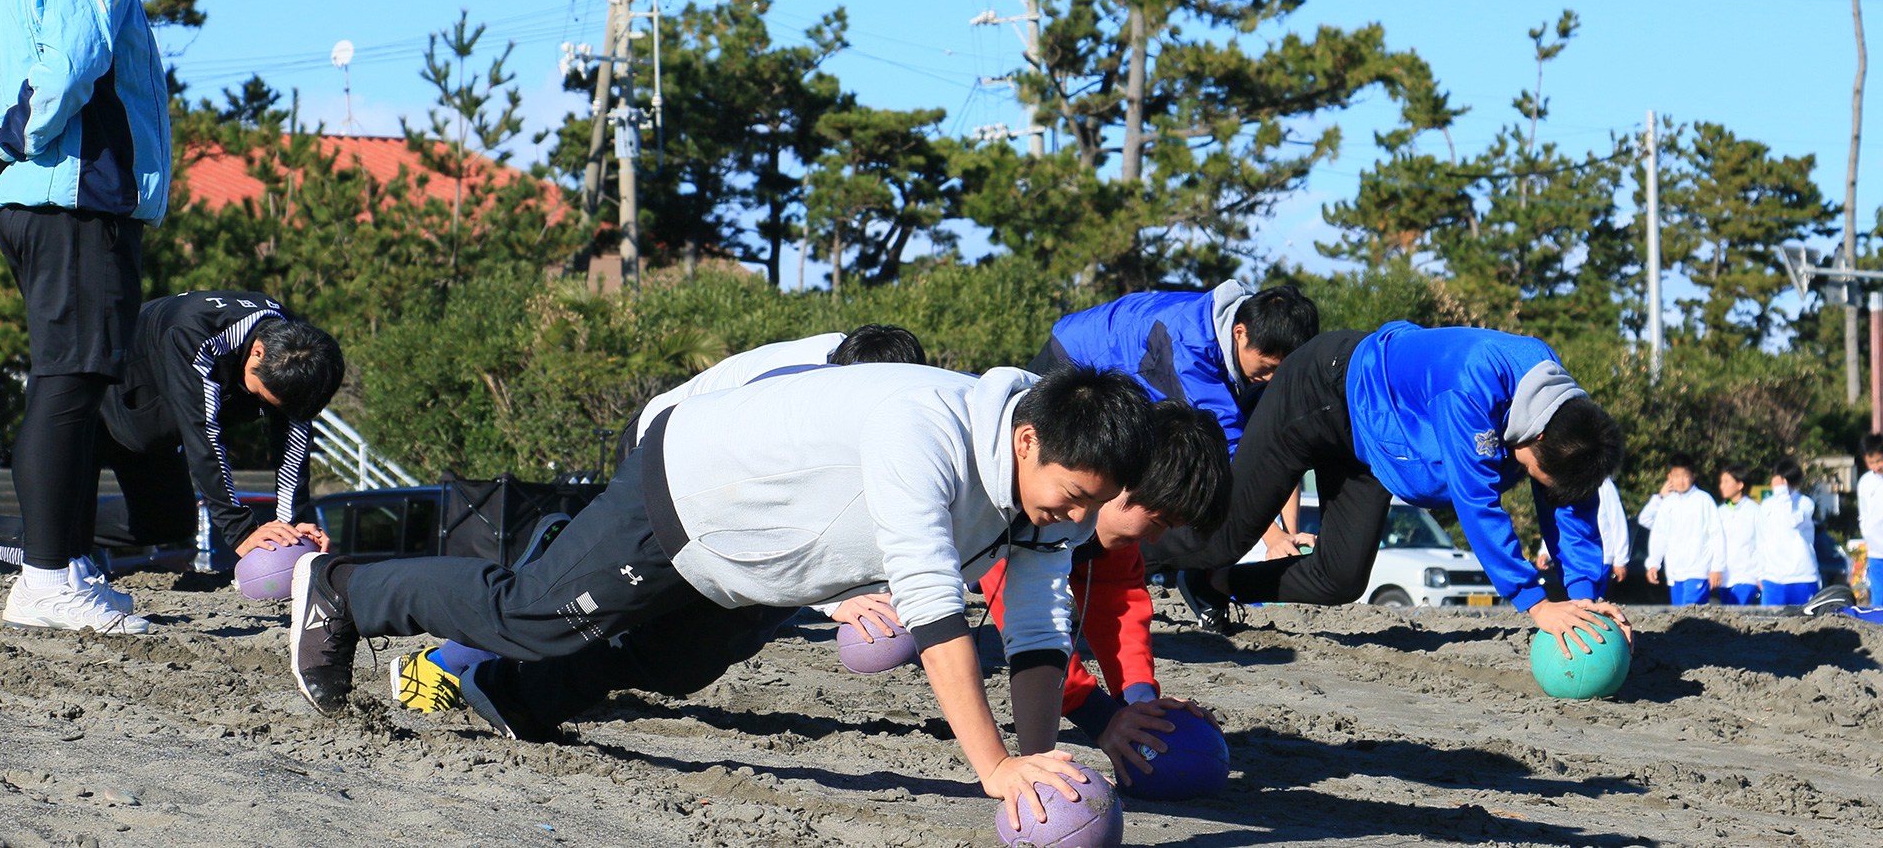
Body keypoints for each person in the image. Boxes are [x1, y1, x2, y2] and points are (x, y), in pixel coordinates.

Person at [289, 364, 1155, 828]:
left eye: (1089, 502)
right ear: (1029, 436)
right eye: (1070, 495)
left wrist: (1036, 763)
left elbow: (1039, 628)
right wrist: (995, 768)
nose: (1075, 517)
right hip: (694, 489)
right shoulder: (924, 428)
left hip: (767, 558)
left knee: (677, 665)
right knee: (533, 613)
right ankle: (345, 587)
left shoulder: (1048, 496)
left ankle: (503, 693)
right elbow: (936, 608)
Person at [390, 324, 927, 713]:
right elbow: (774, 509)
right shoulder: (796, 391)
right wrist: (833, 597)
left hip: (716, 475)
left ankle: (531, 638)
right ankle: (441, 659)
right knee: (602, 596)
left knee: (708, 625)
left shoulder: (884, 401)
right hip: (661, 448)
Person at [0, 0, 173, 634]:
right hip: (72, 196)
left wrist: (5, 143)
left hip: (42, 198)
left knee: (74, 380)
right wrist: (16, 134)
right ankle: (47, 578)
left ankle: (67, 561)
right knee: (69, 381)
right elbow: (61, 73)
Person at [1176, 322, 1631, 653]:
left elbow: (1570, 506)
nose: (1533, 482)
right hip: (1321, 391)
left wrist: (1585, 600)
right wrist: (1536, 604)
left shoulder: (1564, 414)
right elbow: (1478, 502)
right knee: (1228, 533)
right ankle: (1117, 549)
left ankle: (1212, 583)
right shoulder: (1472, 386)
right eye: (1534, 471)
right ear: (1537, 436)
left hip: (1372, 438)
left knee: (1340, 578)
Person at [0, 293, 343, 622]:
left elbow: (293, 438)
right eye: (260, 395)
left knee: (170, 524)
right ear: (257, 353)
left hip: (146, 426)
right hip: (87, 414)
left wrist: (293, 524)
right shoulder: (197, 337)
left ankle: (73, 536)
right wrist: (241, 531)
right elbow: (205, 436)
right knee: (62, 550)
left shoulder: (299, 352)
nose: (264, 408)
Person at [976, 400, 1230, 786]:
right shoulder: (1032, 502)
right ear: (1122, 476)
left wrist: (1139, 701)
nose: (1156, 538)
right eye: (1158, 520)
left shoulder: (1113, 536)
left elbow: (1118, 603)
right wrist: (1099, 716)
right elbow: (1030, 628)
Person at [1027, 282, 1319, 612]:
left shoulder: (1251, 365)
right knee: (1054, 484)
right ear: (1240, 333)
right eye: (1266, 367)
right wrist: (1274, 538)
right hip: (1073, 359)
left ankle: (1181, 577)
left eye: (1278, 372)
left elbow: (1273, 450)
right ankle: (1018, 575)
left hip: (1126, 374)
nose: (1268, 378)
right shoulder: (1190, 357)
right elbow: (1235, 463)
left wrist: (1289, 534)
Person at [1637, 455, 1725, 606]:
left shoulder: (1704, 500)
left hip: (1698, 570)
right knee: (1680, 619)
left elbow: (1717, 534)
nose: (1681, 481)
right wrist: (1653, 563)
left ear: (1693, 476)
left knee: (1690, 614)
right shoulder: (1668, 502)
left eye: (1685, 476)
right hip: (1674, 573)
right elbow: (1660, 535)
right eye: (1676, 476)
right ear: (1669, 477)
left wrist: (1717, 567)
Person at [1537, 474, 1630, 597]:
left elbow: (1617, 521)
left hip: (1600, 557)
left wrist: (1620, 559)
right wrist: (1545, 551)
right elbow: (1559, 519)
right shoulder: (1563, 479)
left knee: (1593, 601)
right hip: (1570, 554)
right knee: (1577, 601)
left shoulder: (1604, 484)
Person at [1757, 458, 1822, 607]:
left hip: (1802, 578)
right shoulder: (1766, 505)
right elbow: (1760, 541)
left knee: (1806, 627)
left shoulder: (1806, 503)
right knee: (1768, 626)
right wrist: (1760, 574)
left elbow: (1794, 521)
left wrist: (1782, 493)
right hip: (1772, 579)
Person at [1714, 465, 1763, 606]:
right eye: (1721, 482)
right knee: (1728, 621)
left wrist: (1762, 575)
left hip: (1747, 576)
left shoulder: (1755, 511)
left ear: (1740, 484)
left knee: (1735, 614)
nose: (1721, 486)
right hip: (1724, 578)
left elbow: (1762, 544)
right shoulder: (1720, 512)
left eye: (1726, 482)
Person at [1861, 435, 1883, 605]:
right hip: (1876, 554)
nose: (1876, 466)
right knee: (1879, 606)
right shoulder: (1865, 483)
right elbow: (1863, 515)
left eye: (1879, 460)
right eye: (1871, 462)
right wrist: (1868, 537)